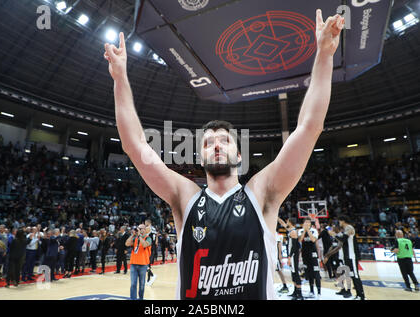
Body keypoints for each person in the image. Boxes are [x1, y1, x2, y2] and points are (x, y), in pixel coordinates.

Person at [103, 10, 345, 299]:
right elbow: (135, 145)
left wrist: (324, 56)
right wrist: (120, 78)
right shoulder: (186, 196)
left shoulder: (262, 193)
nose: (216, 145)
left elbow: (308, 128)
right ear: (200, 158)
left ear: (239, 155)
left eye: (224, 141)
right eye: (208, 144)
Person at [325, 216, 365, 300]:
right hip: (347, 256)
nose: (339, 223)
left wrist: (334, 234)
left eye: (339, 221)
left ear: (343, 221)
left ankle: (361, 296)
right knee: (351, 275)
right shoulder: (345, 229)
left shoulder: (349, 228)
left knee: (355, 275)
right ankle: (357, 294)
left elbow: (342, 239)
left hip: (352, 255)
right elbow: (341, 240)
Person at [278, 218, 303, 300]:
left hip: (293, 255)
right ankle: (295, 291)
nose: (286, 222)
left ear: (291, 222)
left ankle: (299, 293)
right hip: (291, 255)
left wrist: (289, 256)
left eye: (287, 221)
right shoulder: (290, 229)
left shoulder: (293, 232)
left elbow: (295, 246)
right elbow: (282, 223)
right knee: (293, 273)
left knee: (295, 273)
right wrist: (277, 217)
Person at [126, 224, 152, 300]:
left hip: (143, 265)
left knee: (141, 285)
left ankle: (141, 298)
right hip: (133, 264)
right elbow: (127, 243)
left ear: (144, 229)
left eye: (141, 228)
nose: (139, 230)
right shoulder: (135, 238)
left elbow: (144, 245)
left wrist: (139, 236)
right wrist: (132, 235)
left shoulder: (148, 238)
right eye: (138, 228)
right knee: (133, 284)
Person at [298, 218, 322, 299]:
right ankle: (311, 291)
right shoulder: (300, 231)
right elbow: (300, 240)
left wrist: (308, 230)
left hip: (313, 254)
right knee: (309, 273)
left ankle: (319, 292)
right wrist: (304, 230)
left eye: (308, 222)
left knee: (316, 273)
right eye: (305, 222)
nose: (307, 223)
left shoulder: (314, 230)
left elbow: (313, 239)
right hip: (305, 254)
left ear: (311, 224)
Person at [144, 219, 158, 286]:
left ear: (147, 223)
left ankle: (151, 277)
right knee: (147, 264)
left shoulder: (148, 228)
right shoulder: (153, 229)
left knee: (147, 264)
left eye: (145, 223)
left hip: (150, 247)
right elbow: (156, 236)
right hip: (152, 247)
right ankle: (150, 278)